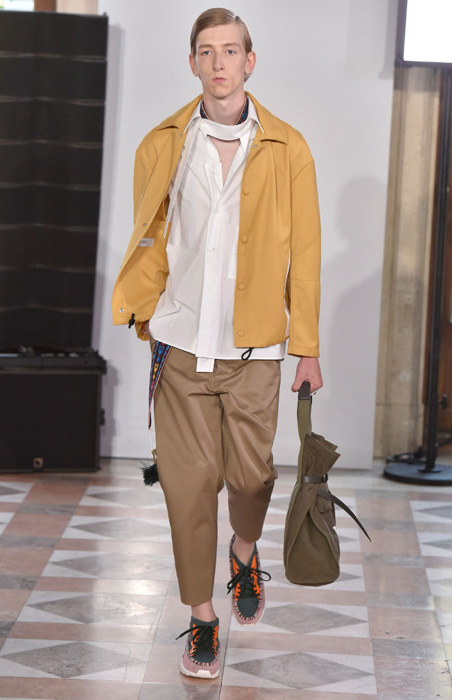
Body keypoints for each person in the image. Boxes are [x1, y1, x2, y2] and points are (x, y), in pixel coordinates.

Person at [112, 7, 323, 680]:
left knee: (252, 477)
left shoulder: (289, 148)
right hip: (179, 347)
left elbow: (306, 255)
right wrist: (146, 313)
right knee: (187, 488)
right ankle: (202, 618)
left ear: (249, 62)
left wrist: (308, 346)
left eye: (231, 50)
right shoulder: (161, 144)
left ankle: (244, 548)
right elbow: (150, 234)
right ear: (193, 63)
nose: (219, 62)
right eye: (207, 51)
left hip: (255, 351)